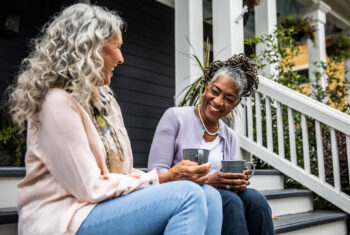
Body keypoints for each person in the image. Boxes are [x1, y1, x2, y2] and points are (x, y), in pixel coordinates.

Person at [8, 3, 223, 235]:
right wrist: (165, 177)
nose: (121, 58)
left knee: (209, 195)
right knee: (187, 196)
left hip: (104, 207)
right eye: (117, 47)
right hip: (66, 218)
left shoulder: (104, 100)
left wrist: (167, 179)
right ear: (90, 50)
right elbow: (88, 187)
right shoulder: (56, 102)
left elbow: (123, 173)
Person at [148, 54, 275, 235]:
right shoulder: (175, 117)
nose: (217, 101)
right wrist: (208, 181)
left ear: (236, 104)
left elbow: (224, 176)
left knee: (256, 199)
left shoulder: (229, 136)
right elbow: (156, 173)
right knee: (230, 201)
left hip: (220, 194)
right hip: (182, 194)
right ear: (206, 87)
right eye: (215, 91)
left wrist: (236, 181)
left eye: (229, 99)